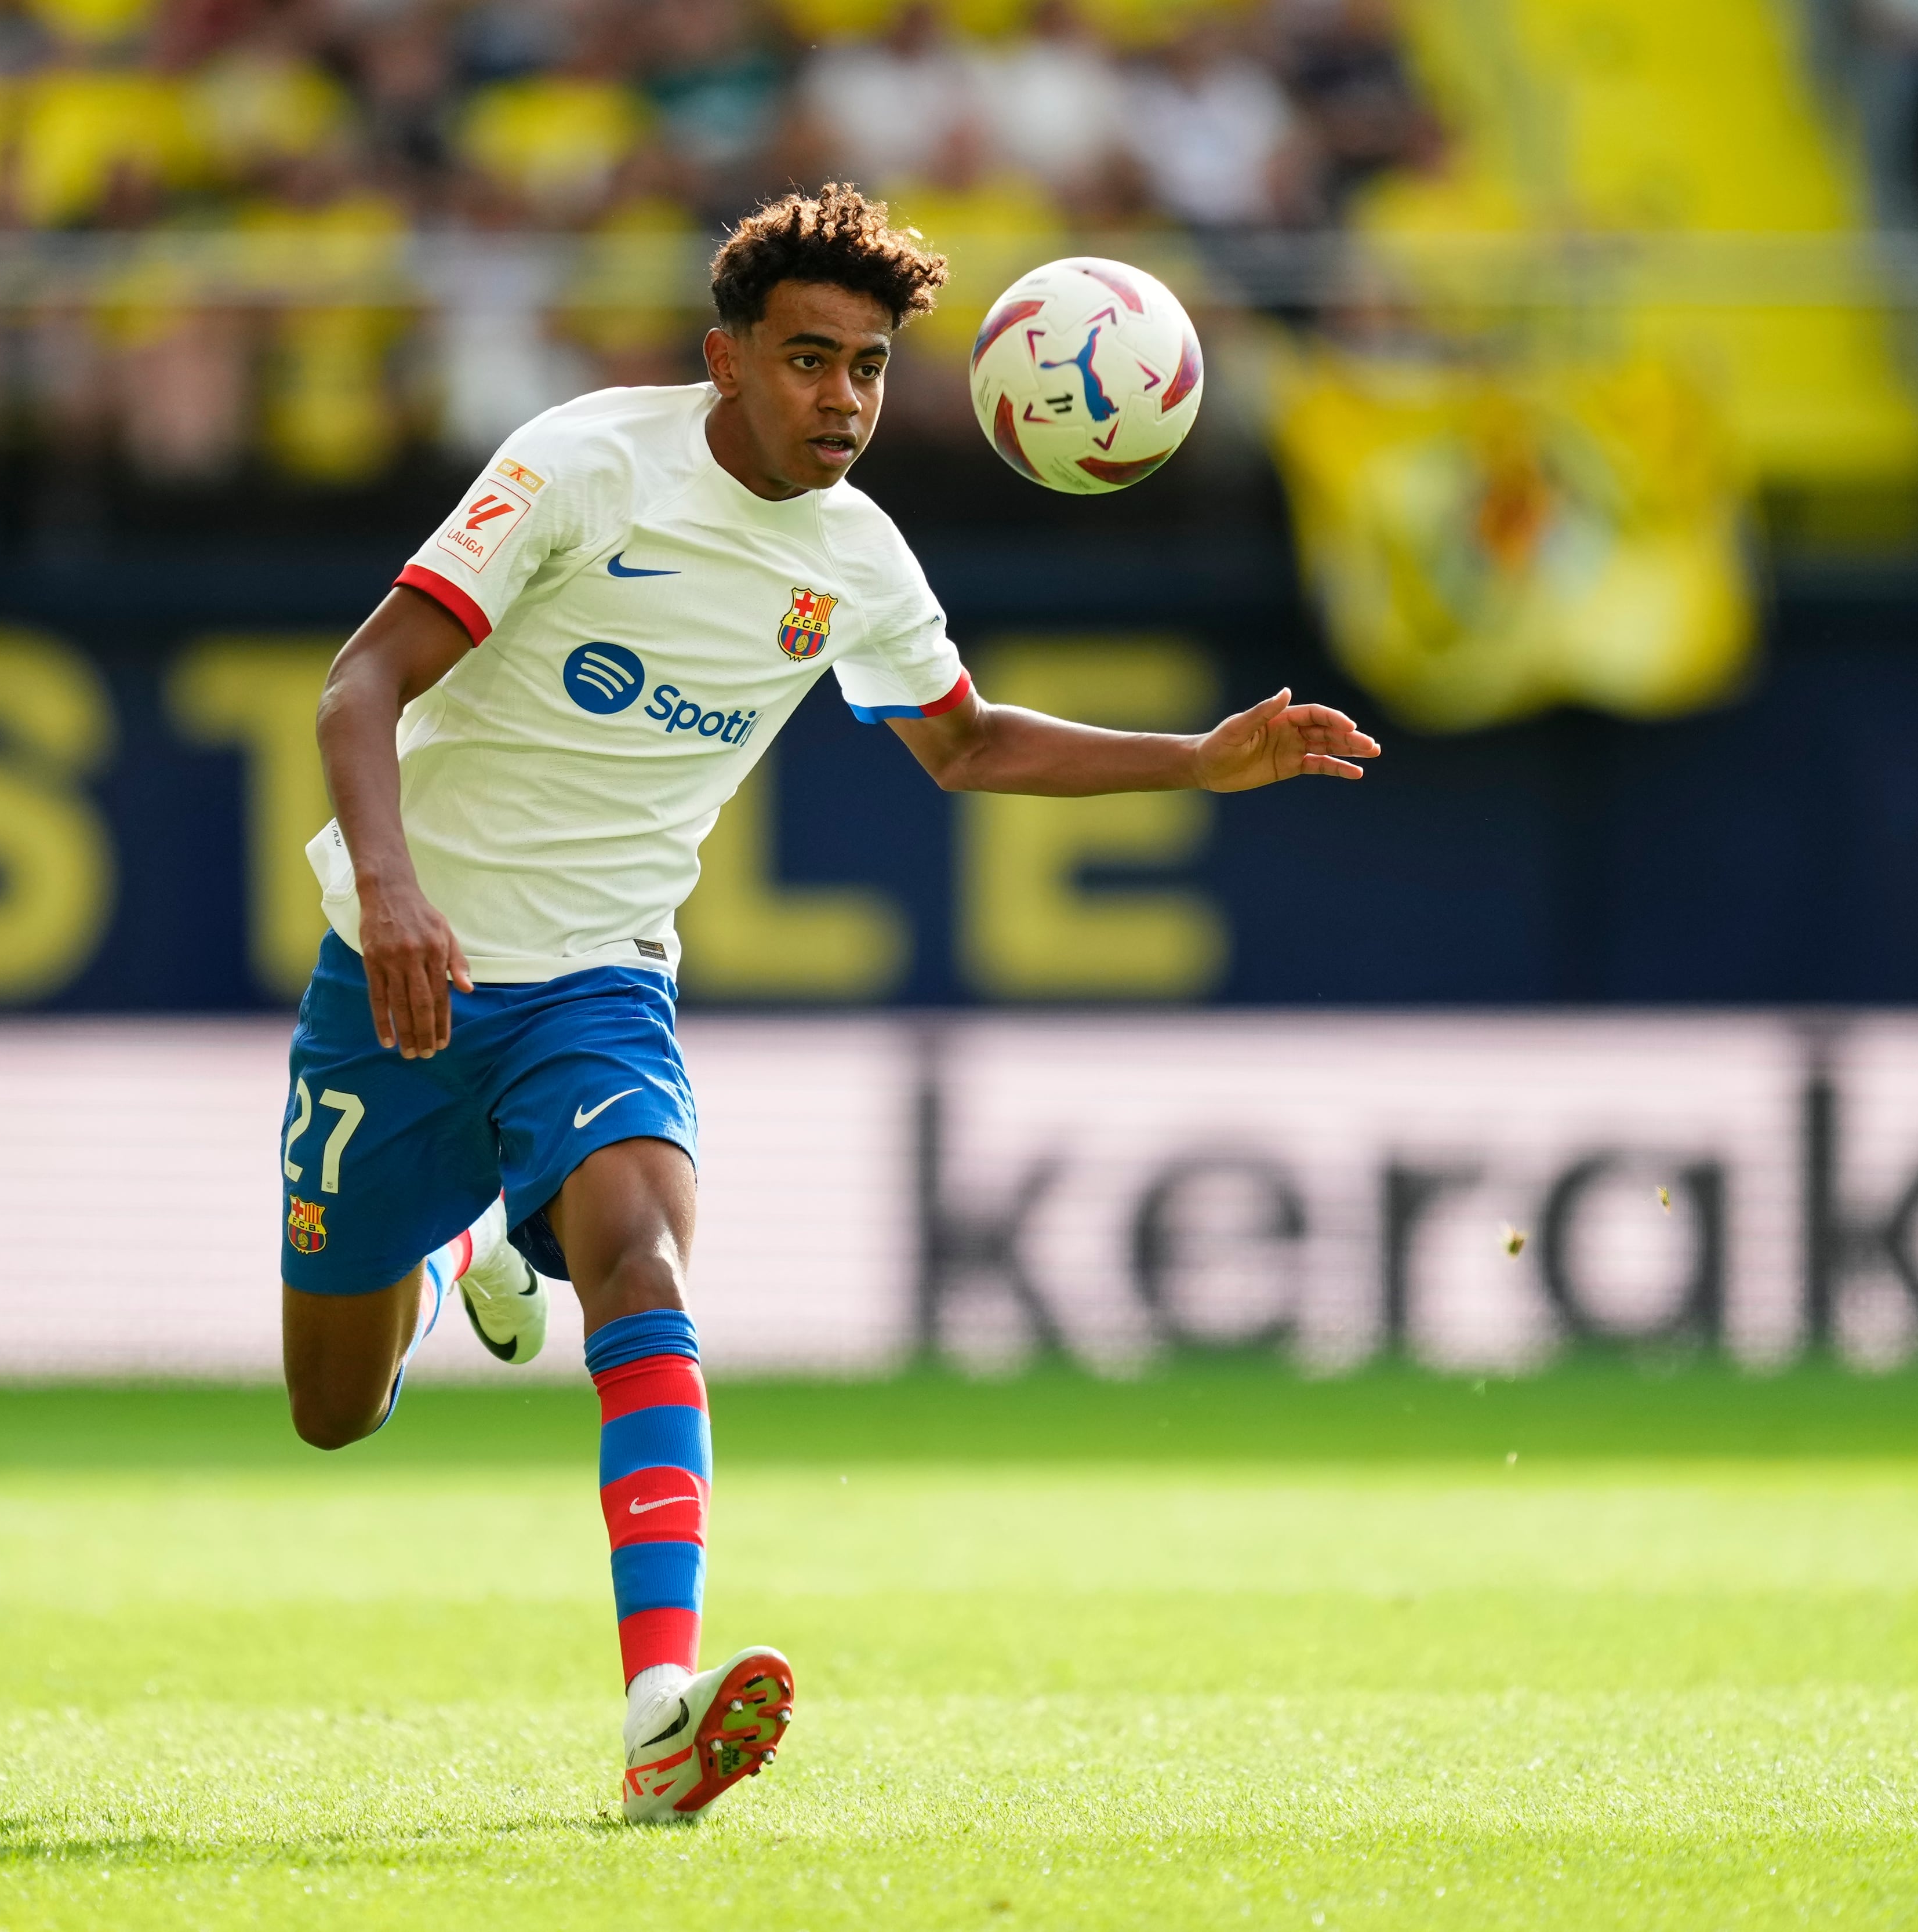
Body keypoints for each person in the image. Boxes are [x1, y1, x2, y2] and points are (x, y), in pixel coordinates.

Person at [279, 183, 1379, 1825]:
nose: (842, 402)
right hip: (404, 973)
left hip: (599, 980)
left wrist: (1199, 762)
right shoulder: (587, 463)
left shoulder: (856, 557)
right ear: (725, 359)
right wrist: (389, 896)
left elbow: (968, 740)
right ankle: (470, 1245)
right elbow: (361, 679)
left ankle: (661, 1704)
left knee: (643, 1252)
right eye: (808, 361)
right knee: (335, 1412)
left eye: (867, 369)